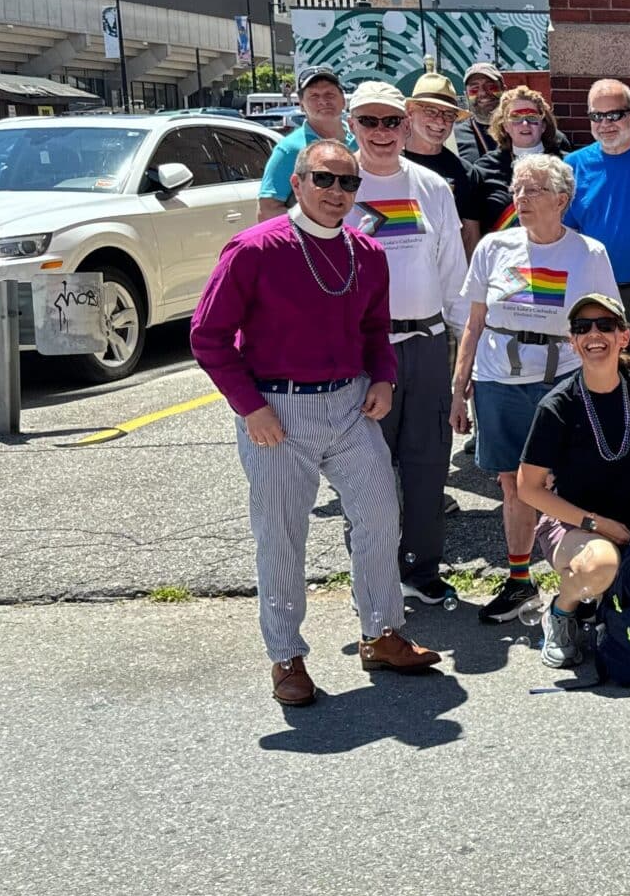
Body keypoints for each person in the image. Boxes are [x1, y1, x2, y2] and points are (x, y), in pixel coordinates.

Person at [192, 138, 440, 705]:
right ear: (297, 182)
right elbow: (207, 337)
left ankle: (381, 632)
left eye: (347, 182)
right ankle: (286, 656)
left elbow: (375, 329)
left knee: (380, 515)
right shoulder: (255, 249)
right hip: (277, 409)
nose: (336, 192)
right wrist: (249, 407)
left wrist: (383, 378)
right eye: (323, 179)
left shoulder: (366, 252)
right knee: (281, 535)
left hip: (349, 405)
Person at [449, 153, 616, 624]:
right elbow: (474, 323)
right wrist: (458, 388)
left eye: (534, 190)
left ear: (562, 200)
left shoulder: (589, 253)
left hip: (564, 382)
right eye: (517, 189)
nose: (521, 198)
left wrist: (607, 388)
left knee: (572, 481)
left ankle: (581, 583)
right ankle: (520, 580)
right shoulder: (493, 247)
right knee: (513, 483)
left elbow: (607, 326)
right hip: (498, 381)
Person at [345, 81, 470, 608]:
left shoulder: (431, 186)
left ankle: (421, 568)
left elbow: (453, 273)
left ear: (406, 124)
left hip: (427, 343)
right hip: (363, 349)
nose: (381, 132)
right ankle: (371, 572)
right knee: (367, 468)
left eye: (391, 121)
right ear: (352, 124)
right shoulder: (337, 185)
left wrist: (465, 356)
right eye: (369, 121)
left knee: (427, 461)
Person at [516, 292, 630, 669]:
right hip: (575, 527)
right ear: (572, 341)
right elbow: (527, 487)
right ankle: (561, 613)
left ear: (624, 336)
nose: (594, 334)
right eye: (582, 327)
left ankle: (598, 606)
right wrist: (596, 524)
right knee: (600, 566)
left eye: (605, 325)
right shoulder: (558, 405)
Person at [565, 78, 630, 372]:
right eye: (596, 116)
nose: (605, 123)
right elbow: (565, 233)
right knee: (599, 373)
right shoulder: (571, 166)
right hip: (592, 292)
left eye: (614, 115)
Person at [461, 86, 566, 239]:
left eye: (532, 117)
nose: (525, 124)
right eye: (516, 118)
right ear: (505, 126)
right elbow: (472, 228)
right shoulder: (483, 169)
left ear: (543, 125)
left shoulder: (566, 165)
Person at [258, 67, 350, 218]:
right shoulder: (290, 149)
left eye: (330, 94)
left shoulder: (361, 140)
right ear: (301, 104)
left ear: (343, 100)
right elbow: (267, 209)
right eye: (314, 96)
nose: (323, 101)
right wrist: (315, 228)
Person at [401, 69, 476, 250]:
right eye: (431, 111)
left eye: (448, 115)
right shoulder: (388, 164)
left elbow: (469, 235)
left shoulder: (465, 172)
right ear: (410, 112)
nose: (440, 121)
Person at [457, 62, 505, 162]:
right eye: (474, 89)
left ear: (504, 90)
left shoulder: (522, 128)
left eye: (490, 86)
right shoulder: (454, 137)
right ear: (466, 96)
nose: (483, 93)